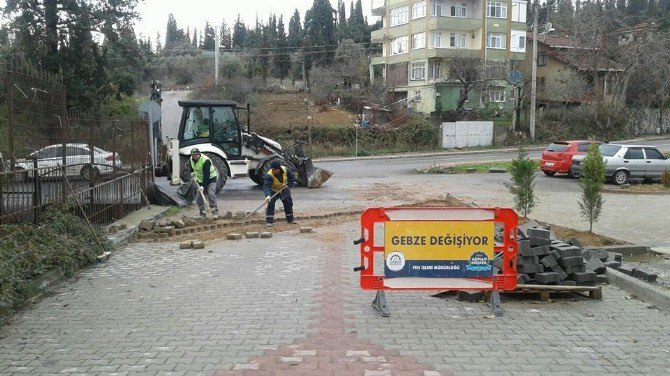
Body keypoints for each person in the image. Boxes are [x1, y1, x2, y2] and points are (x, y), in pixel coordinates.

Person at [263, 160, 298, 227]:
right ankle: (269, 221)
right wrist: (268, 195)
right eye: (273, 170)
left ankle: (290, 219)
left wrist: (288, 186)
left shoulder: (285, 170)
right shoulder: (269, 175)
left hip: (284, 188)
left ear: (279, 169)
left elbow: (292, 178)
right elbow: (266, 186)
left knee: (288, 203)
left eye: (276, 170)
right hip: (273, 190)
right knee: (271, 204)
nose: (274, 171)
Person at [189, 148, 219, 218]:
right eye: (193, 156)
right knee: (199, 198)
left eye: (197, 155)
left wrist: (202, 186)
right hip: (199, 179)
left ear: (199, 154)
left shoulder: (205, 161)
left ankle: (215, 212)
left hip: (211, 178)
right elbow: (192, 168)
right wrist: (192, 173)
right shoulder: (191, 159)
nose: (195, 157)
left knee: (211, 194)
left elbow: (206, 176)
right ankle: (202, 214)